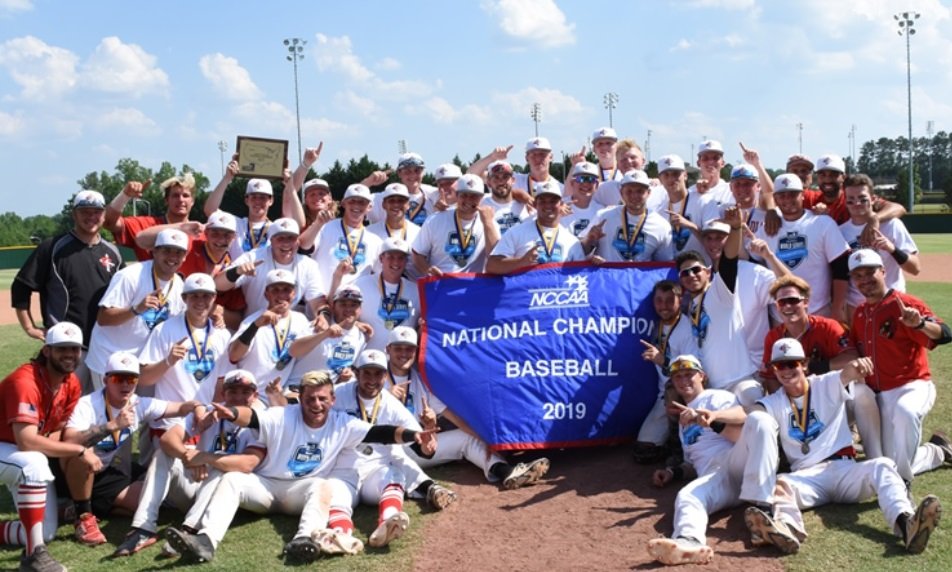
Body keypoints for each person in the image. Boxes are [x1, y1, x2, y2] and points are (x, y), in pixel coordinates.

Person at [164, 370, 436, 564]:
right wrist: (232, 413)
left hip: (301, 490)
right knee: (233, 478)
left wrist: (414, 436)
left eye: (322, 399)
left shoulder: (343, 422)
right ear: (301, 399)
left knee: (322, 485)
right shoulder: (282, 415)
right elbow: (253, 418)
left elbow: (381, 433)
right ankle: (205, 541)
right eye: (310, 399)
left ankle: (304, 539)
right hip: (266, 485)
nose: (316, 405)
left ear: (332, 399)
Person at [742, 338, 941, 556]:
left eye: (792, 364)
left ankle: (906, 525)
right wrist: (716, 416)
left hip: (845, 470)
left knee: (883, 465)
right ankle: (786, 530)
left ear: (805, 364)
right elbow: (750, 411)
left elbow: (846, 373)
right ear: (773, 369)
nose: (786, 371)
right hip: (808, 478)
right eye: (780, 365)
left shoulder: (823, 384)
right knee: (780, 484)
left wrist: (857, 367)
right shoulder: (774, 401)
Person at [114, 369, 262, 557]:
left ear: (255, 395)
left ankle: (189, 531)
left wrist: (205, 457)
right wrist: (187, 457)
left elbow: (248, 464)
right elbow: (168, 439)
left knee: (224, 470)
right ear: (223, 394)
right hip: (196, 483)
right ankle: (143, 528)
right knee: (162, 454)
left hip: (227, 496)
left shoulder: (262, 420)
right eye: (233, 391)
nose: (238, 397)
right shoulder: (209, 412)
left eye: (245, 392)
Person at [58, 352, 200, 546]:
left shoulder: (138, 403)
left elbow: (178, 408)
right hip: (78, 470)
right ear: (106, 379)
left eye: (131, 379)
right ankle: (83, 515)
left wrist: (197, 406)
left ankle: (86, 506)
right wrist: (112, 425)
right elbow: (70, 441)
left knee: (153, 500)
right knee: (82, 455)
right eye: (118, 378)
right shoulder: (87, 404)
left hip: (108, 471)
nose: (125, 385)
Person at [387, 327, 550, 490]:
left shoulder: (419, 378)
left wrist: (483, 439)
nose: (404, 353)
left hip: (418, 448)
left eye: (409, 349)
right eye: (398, 348)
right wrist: (384, 399)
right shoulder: (375, 379)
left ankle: (506, 472)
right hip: (386, 453)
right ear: (388, 350)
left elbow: (453, 417)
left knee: (466, 438)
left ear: (416, 351)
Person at [646, 355, 767, 566]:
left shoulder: (716, 397)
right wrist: (673, 472)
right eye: (677, 377)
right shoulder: (683, 422)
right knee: (688, 497)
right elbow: (692, 464)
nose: (683, 381)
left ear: (702, 376)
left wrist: (711, 416)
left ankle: (768, 509)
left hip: (735, 460)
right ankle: (690, 543)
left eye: (688, 375)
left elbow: (744, 415)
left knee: (760, 421)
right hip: (716, 478)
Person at [847, 249, 952, 483]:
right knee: (889, 458)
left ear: (883, 271)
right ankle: (938, 451)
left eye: (870, 272)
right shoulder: (861, 313)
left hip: (912, 386)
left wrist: (920, 324)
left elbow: (944, 334)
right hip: (880, 395)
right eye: (858, 275)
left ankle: (902, 482)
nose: (865, 280)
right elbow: (855, 349)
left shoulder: (905, 304)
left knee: (906, 413)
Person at [12, 190, 123, 392]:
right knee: (63, 410)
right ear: (74, 214)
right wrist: (29, 327)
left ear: (104, 215)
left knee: (100, 409)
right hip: (67, 347)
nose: (91, 217)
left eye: (96, 212)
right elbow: (21, 286)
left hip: (104, 346)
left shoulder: (113, 253)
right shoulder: (53, 247)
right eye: (85, 212)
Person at [328, 350, 440, 548]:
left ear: (385, 376)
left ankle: (388, 522)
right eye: (367, 373)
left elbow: (424, 450)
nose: (372, 380)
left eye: (378, 374)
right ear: (356, 373)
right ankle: (341, 535)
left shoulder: (391, 405)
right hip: (342, 471)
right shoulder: (338, 394)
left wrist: (428, 433)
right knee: (335, 495)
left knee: (394, 474)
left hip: (375, 473)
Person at [0, 323, 89, 572]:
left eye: (74, 348)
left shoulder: (70, 383)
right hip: (10, 448)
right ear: (47, 351)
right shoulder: (25, 381)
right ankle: (33, 557)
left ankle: (36, 544)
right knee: (36, 463)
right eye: (62, 349)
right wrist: (78, 451)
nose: (69, 354)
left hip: (14, 454)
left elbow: (55, 432)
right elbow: (27, 441)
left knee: (45, 531)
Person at [674, 212, 761, 408]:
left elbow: (729, 260)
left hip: (740, 381)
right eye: (685, 273)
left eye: (696, 270)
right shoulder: (690, 307)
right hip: (712, 389)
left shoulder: (719, 291)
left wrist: (737, 228)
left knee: (755, 408)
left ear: (707, 272)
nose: (691, 275)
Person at [85, 228, 189, 388]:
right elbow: (103, 318)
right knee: (109, 411)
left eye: (178, 252)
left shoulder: (180, 286)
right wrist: (136, 309)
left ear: (185, 256)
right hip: (110, 359)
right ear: (154, 252)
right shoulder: (130, 276)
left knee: (139, 412)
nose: (172, 257)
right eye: (166, 250)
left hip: (144, 364)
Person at [753, 174, 851, 323]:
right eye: (782, 196)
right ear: (776, 199)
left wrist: (837, 306)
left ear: (803, 195)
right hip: (779, 315)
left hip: (819, 311)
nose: (787, 199)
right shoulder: (767, 227)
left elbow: (840, 268)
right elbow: (751, 260)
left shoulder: (822, 223)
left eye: (793, 194)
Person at [135, 210, 246, 330]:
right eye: (215, 233)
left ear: (234, 237)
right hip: (160, 317)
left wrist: (212, 309)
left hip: (198, 333)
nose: (220, 240)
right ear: (206, 233)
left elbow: (239, 320)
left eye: (227, 235)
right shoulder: (189, 246)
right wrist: (181, 227)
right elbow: (141, 240)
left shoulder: (232, 269)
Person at [633, 280, 698, 463]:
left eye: (670, 300)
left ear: (680, 300)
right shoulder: (656, 325)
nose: (664, 306)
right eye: (659, 301)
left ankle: (679, 448)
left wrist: (662, 360)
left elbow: (691, 373)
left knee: (674, 392)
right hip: (662, 396)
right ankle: (669, 441)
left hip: (681, 394)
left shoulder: (686, 329)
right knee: (643, 451)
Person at [839, 173, 919, 316]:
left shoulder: (892, 225)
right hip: (856, 307)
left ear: (873, 198)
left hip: (892, 302)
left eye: (862, 199)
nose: (857, 203)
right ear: (845, 201)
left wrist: (892, 249)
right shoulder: (840, 232)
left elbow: (915, 268)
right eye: (851, 200)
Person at [227, 269, 313, 403]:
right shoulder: (253, 320)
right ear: (266, 294)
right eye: (275, 290)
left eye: (286, 289)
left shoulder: (301, 320)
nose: (281, 295)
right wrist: (256, 325)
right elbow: (234, 356)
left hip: (279, 394)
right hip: (251, 396)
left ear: (294, 293)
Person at [215, 217, 325, 317]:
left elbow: (318, 301)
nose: (286, 243)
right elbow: (218, 284)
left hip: (288, 326)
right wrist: (237, 272)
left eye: (291, 238)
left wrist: (323, 317)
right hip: (253, 324)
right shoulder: (253, 257)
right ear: (271, 241)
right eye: (280, 238)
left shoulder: (308, 265)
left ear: (297, 242)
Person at [487, 180, 587, 274]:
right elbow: (492, 265)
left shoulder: (572, 241)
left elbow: (582, 275)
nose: (548, 205)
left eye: (553, 201)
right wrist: (521, 262)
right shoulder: (516, 232)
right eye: (542, 201)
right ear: (535, 204)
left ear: (561, 204)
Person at [412, 174, 500, 276]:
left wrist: (488, 223)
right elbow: (417, 253)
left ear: (482, 198)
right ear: (456, 196)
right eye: (464, 195)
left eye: (474, 196)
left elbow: (494, 257)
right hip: (442, 282)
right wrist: (427, 270)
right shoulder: (435, 220)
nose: (468, 200)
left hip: (473, 285)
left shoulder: (489, 223)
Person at [580, 170, 674, 263]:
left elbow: (664, 266)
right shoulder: (603, 216)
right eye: (629, 191)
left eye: (640, 191)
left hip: (640, 278)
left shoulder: (661, 225)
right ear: (621, 193)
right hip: (607, 276)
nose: (634, 195)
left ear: (648, 193)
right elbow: (581, 252)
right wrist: (589, 240)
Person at [306, 184, 383, 294]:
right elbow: (304, 247)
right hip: (321, 301)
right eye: (352, 201)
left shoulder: (376, 241)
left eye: (362, 202)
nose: (356, 205)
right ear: (343, 203)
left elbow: (380, 276)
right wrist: (317, 224)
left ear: (369, 207)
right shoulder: (325, 227)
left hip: (354, 305)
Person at [288, 284, 367, 387]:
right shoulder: (319, 325)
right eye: (343, 304)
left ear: (360, 309)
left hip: (328, 396)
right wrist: (324, 334)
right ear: (333, 306)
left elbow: (348, 367)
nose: (348, 309)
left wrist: (346, 375)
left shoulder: (359, 336)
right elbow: (293, 351)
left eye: (353, 305)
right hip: (298, 388)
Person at [105, 174, 196, 261]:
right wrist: (125, 195)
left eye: (186, 195)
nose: (181, 200)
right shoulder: (146, 226)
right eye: (175, 195)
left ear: (192, 201)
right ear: (166, 200)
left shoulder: (202, 235)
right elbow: (108, 222)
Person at [353, 237, 419, 351]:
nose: (396, 262)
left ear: (406, 262)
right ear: (381, 258)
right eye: (390, 257)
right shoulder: (361, 285)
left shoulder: (415, 290)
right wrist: (354, 325)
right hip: (368, 364)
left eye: (401, 258)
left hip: (400, 361)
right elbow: (342, 316)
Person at [204, 164, 278, 258]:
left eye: (263, 198)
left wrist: (290, 186)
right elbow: (210, 210)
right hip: (236, 272)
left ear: (271, 201)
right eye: (254, 197)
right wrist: (227, 178)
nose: (258, 201)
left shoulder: (275, 228)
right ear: (246, 200)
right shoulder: (235, 223)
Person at [593, 138, 648, 208]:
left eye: (633, 157)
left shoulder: (656, 189)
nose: (629, 161)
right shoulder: (605, 189)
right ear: (618, 165)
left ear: (643, 161)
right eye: (623, 159)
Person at [480, 160, 531, 234]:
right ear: (488, 182)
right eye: (496, 177)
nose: (501, 181)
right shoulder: (482, 204)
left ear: (513, 180)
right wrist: (492, 157)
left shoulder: (525, 204)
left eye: (505, 177)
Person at [560, 162, 604, 237]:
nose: (585, 184)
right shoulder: (559, 207)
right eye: (581, 179)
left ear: (596, 185)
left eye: (591, 179)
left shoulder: (602, 212)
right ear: (572, 183)